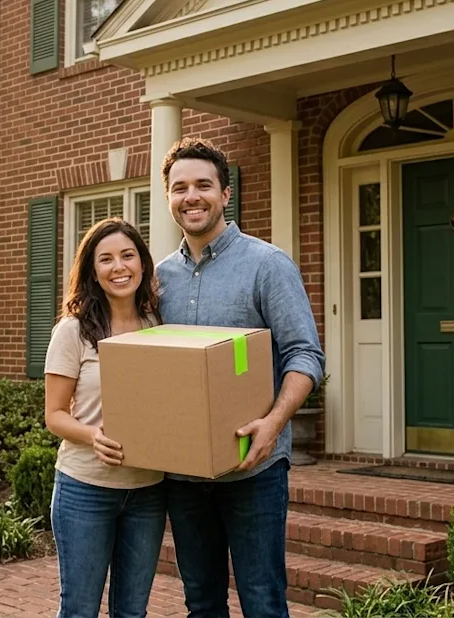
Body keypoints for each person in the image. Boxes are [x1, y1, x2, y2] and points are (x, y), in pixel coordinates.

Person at [155, 137, 326, 617]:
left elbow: (305, 355)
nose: (192, 196)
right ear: (168, 196)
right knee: (202, 602)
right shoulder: (157, 277)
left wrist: (273, 424)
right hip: (183, 472)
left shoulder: (267, 265)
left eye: (203, 185)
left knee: (264, 602)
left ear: (225, 194)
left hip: (254, 468)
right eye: (180, 187)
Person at [44, 217, 167, 618]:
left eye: (128, 256)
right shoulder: (73, 331)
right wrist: (93, 435)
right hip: (86, 489)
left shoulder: (157, 326)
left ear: (143, 264)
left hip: (148, 490)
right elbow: (55, 416)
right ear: (93, 273)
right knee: (80, 610)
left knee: (132, 612)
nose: (119, 267)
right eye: (106, 259)